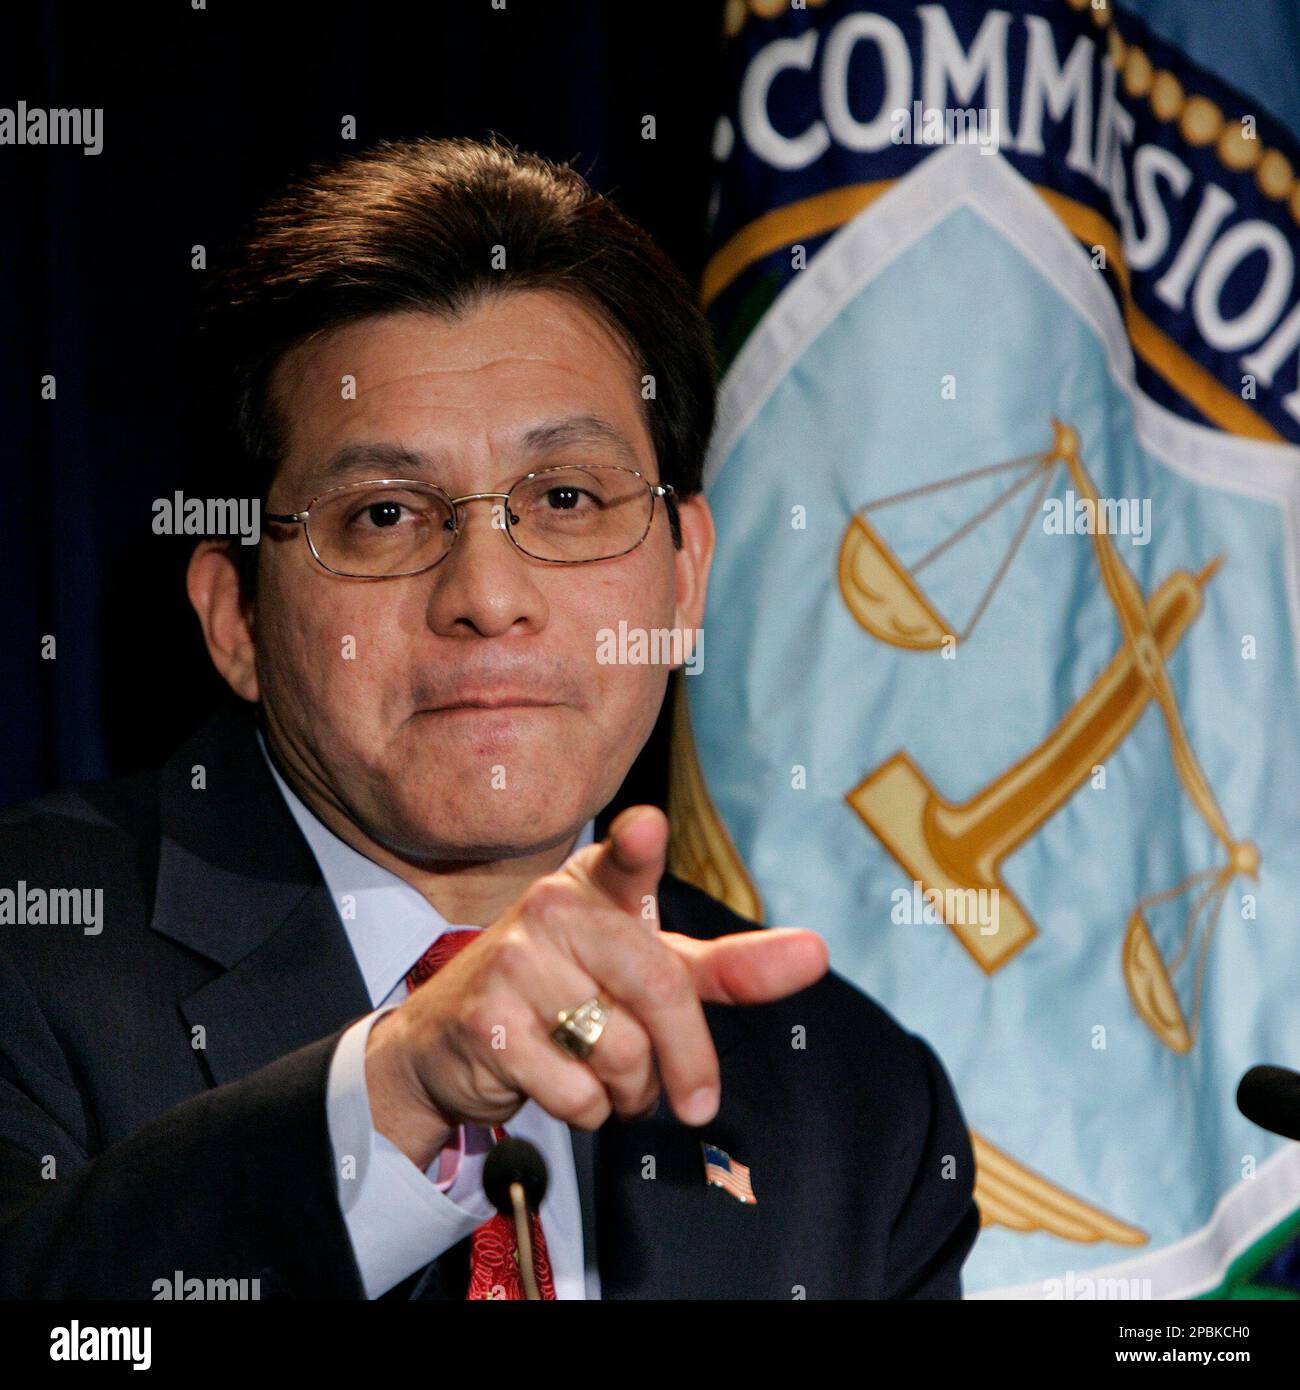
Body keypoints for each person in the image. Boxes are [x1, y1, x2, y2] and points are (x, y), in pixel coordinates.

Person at [0, 136, 979, 1300]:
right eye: (381, 515)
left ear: (684, 577)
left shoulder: (857, 1102)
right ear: (237, 619)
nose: (486, 598)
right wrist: (401, 1088)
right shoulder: (32, 958)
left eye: (564, 499)